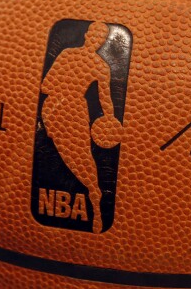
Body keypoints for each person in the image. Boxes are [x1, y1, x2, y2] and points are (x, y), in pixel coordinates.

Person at [41, 22, 115, 234]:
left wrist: (109, 121)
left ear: (102, 42)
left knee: (81, 157)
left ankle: (95, 197)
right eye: (95, 34)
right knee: (72, 157)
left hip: (72, 110)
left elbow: (105, 99)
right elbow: (45, 86)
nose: (96, 39)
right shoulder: (69, 55)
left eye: (101, 37)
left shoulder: (101, 66)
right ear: (87, 34)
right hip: (59, 108)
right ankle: (94, 195)